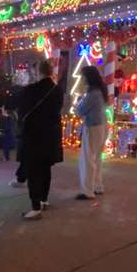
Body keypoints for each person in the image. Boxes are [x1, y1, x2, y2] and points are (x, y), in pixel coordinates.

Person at [16, 59, 64, 220]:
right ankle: (44, 200)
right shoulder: (57, 90)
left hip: (34, 136)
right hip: (51, 135)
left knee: (34, 171)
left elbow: (21, 109)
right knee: (45, 168)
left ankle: (35, 207)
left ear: (38, 72)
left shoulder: (31, 90)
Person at [75, 65, 108, 200]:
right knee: (97, 158)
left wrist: (78, 102)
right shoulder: (100, 91)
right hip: (101, 126)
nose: (82, 79)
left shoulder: (92, 94)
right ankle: (97, 185)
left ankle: (87, 190)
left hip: (92, 127)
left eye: (83, 77)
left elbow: (79, 111)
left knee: (87, 159)